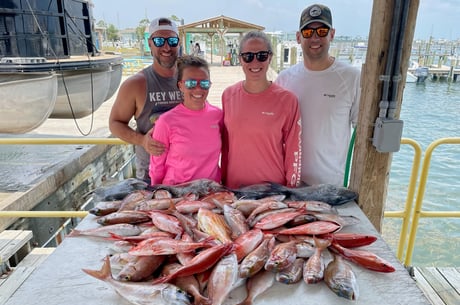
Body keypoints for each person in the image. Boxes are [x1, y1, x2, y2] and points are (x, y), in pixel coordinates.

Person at [275, 4, 361, 186]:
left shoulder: (352, 77)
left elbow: (362, 134)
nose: (315, 38)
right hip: (289, 184)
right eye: (308, 32)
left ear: (332, 34)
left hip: (330, 186)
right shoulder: (284, 79)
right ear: (298, 37)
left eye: (321, 31)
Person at [221, 30, 302, 189]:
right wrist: (223, 182)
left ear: (270, 57)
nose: (255, 62)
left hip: (272, 192)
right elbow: (225, 147)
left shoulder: (287, 100)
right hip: (235, 190)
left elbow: (294, 152)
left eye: (262, 56)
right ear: (240, 59)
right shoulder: (228, 95)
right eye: (248, 57)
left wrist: (291, 190)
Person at [109, 17, 182, 183]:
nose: (166, 47)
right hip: (151, 178)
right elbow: (115, 123)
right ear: (150, 43)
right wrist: (141, 140)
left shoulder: (191, 80)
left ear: (179, 42)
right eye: (158, 40)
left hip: (186, 174)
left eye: (172, 40)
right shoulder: (135, 84)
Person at [149, 55, 223, 185]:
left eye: (204, 83)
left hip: (210, 193)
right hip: (177, 194)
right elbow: (156, 167)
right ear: (180, 86)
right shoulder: (166, 121)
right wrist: (158, 194)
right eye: (191, 83)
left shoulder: (218, 115)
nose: (198, 89)